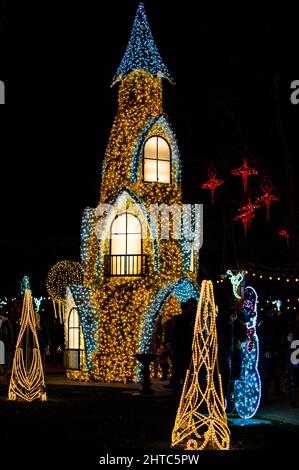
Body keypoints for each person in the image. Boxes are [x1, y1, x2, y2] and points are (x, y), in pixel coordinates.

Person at [168, 298, 197, 391]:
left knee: (178, 366)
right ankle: (184, 385)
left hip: (180, 346)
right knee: (185, 367)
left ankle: (177, 385)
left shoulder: (178, 318)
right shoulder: (190, 318)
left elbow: (173, 333)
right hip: (186, 345)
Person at [259, 306, 281, 404]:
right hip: (267, 351)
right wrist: (267, 349)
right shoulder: (267, 324)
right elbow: (265, 337)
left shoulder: (272, 323)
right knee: (265, 375)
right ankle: (263, 397)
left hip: (270, 351)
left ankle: (265, 396)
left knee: (268, 374)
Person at [0, 313, 14, 382]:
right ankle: (3, 375)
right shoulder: (5, 323)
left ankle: (4, 375)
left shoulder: (6, 323)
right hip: (3, 345)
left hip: (6, 345)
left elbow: (10, 335)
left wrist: (10, 344)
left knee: (6, 360)